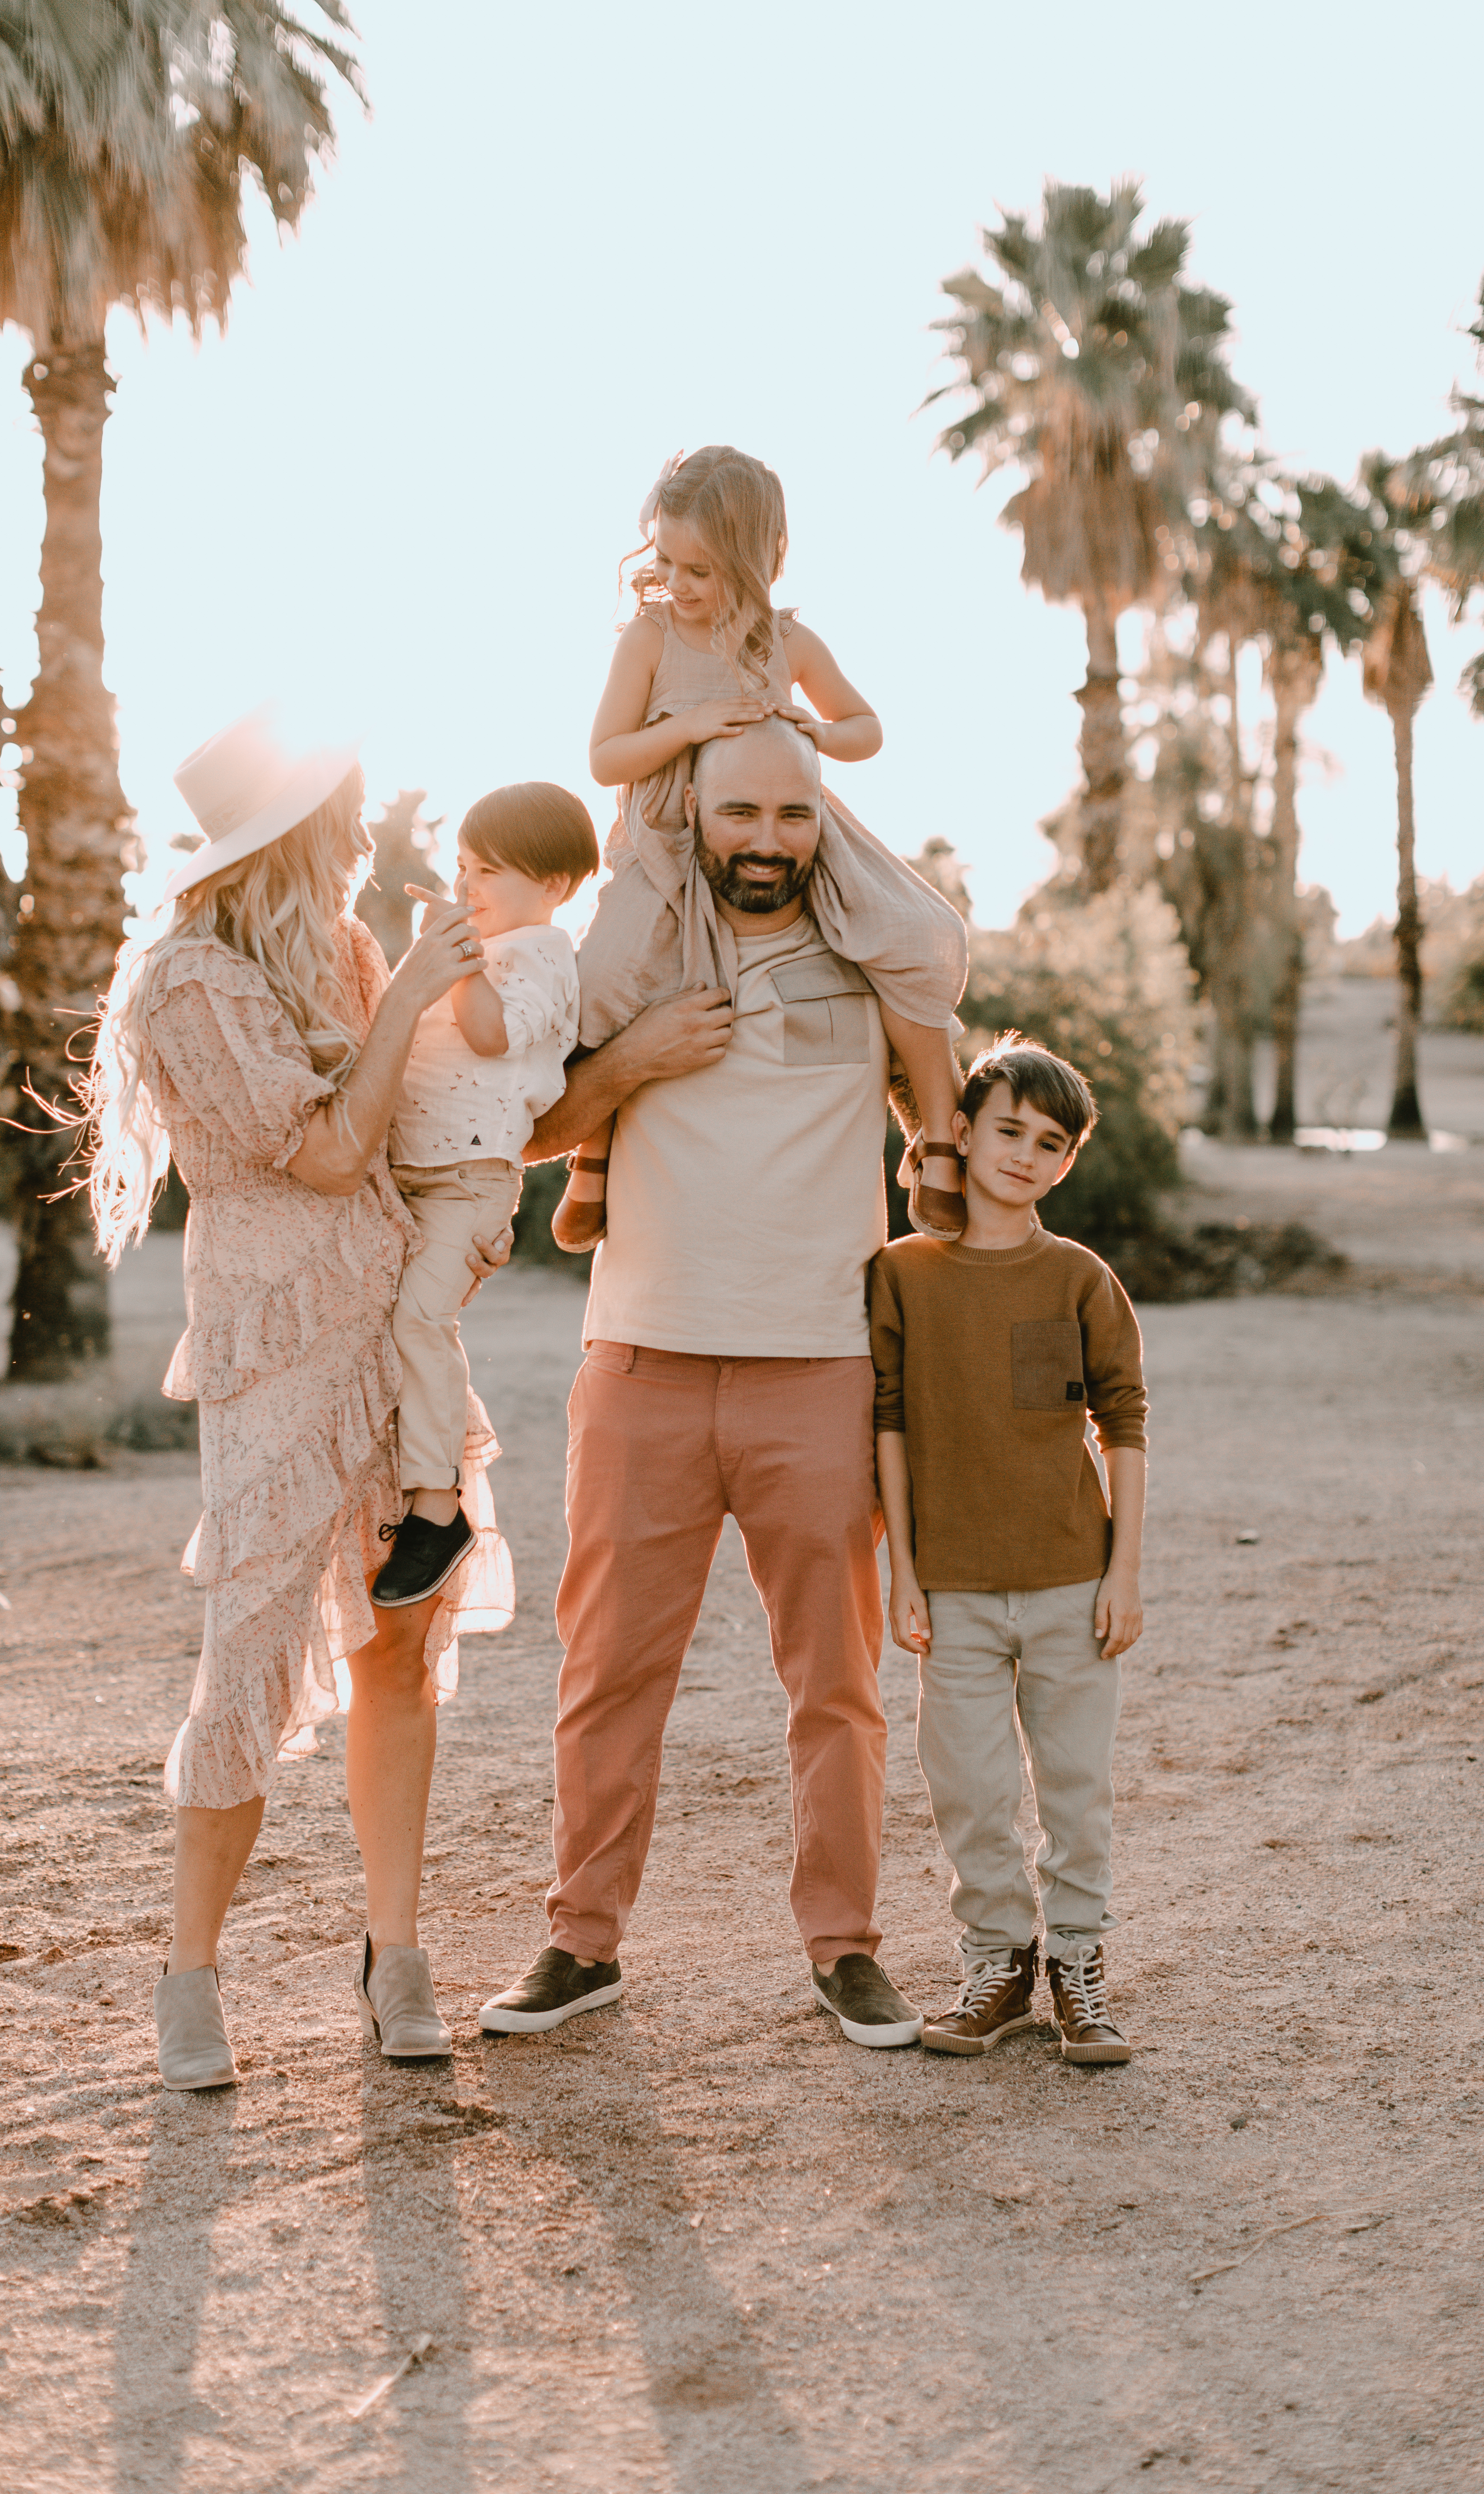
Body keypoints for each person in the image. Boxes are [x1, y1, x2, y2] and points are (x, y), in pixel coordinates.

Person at [83, 705, 514, 2090]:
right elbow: (324, 1155)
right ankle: (188, 1975)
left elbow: (401, 1131)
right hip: (276, 1352)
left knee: (401, 1639)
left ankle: (397, 1955)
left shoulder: (345, 951)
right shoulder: (188, 985)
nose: (358, 846)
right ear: (291, 835)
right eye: (340, 823)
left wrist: (471, 1215)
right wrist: (395, 1008)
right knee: (253, 1651)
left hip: (385, 1330)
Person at [479, 714, 926, 2049]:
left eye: (795, 817)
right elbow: (537, 1121)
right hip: (643, 1365)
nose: (769, 843)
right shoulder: (637, 960)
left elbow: (947, 1110)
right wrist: (635, 1059)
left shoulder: (872, 962)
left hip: (824, 1371)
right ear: (694, 815)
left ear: (825, 823)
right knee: (610, 1672)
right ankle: (582, 1941)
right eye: (742, 816)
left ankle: (845, 1947)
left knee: (836, 1685)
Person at [550, 443, 969, 1251]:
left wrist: (815, 731)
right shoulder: (650, 638)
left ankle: (939, 1140)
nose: (678, 582)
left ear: (758, 558)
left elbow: (867, 728)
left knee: (916, 933)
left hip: (787, 822)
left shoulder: (789, 643)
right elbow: (604, 757)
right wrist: (688, 727)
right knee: (607, 973)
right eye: (667, 561)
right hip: (673, 834)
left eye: (699, 569)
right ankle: (592, 1154)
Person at [870, 1038, 1148, 2066]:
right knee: (970, 1788)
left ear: (1067, 1162)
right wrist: (904, 1568)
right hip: (955, 1588)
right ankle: (998, 1961)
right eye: (1008, 1132)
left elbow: (1124, 1422)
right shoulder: (902, 1277)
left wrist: (1124, 1570)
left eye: (1051, 1143)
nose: (1025, 1155)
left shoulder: (1078, 1277)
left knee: (1076, 1784)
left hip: (1075, 1581)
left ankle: (1078, 1963)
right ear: (963, 1132)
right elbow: (887, 1424)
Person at [378, 783, 598, 1604]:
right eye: (464, 867)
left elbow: (491, 1033)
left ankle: (437, 1509)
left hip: (468, 1179)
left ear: (553, 885)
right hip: (418, 1173)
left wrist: (455, 959)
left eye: (490, 873)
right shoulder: (494, 948)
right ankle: (411, 1485)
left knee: (419, 1319)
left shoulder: (540, 952)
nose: (468, 887)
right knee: (396, 1320)